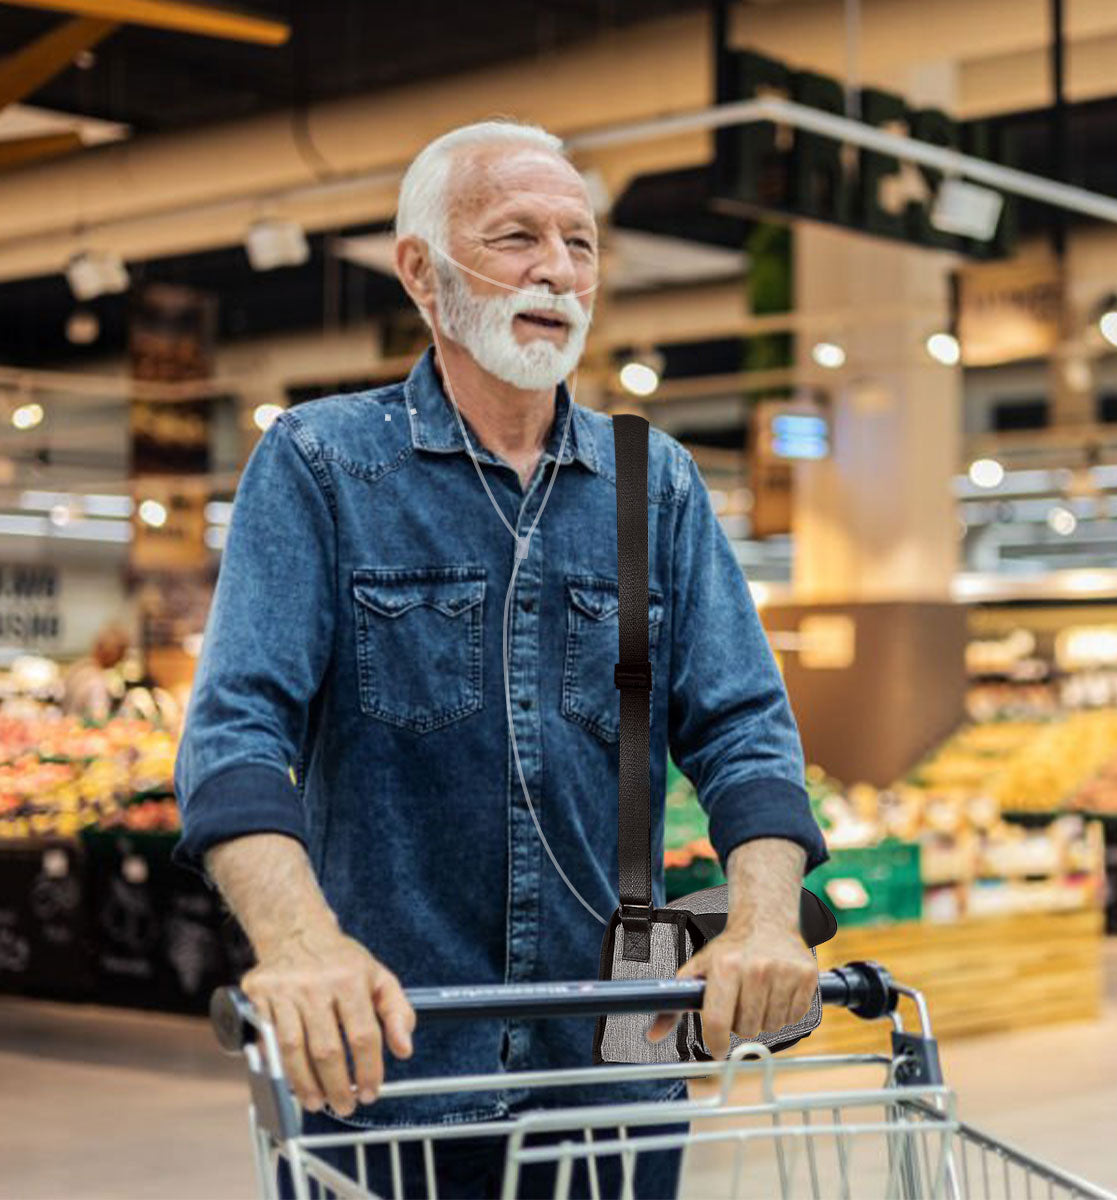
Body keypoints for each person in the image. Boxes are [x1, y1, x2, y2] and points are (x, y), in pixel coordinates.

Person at [174, 118, 829, 1199]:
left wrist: (762, 919)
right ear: (421, 274)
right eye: (517, 236)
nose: (557, 270)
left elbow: (744, 729)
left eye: (581, 243)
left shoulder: (651, 483)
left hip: (612, 1078)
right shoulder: (322, 466)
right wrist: (298, 945)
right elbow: (235, 736)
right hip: (391, 1074)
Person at [62, 623, 129, 722]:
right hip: (82, 731)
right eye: (121, 654)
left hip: (68, 728)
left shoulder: (77, 669)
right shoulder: (97, 682)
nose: (121, 660)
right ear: (111, 654)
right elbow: (98, 720)